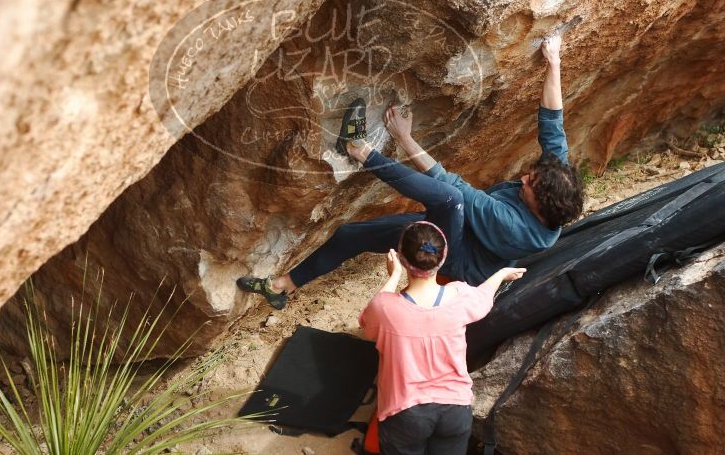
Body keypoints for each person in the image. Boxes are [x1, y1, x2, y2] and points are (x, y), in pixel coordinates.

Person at [237, 34, 583, 309]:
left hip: (455, 263)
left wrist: (404, 138)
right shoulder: (557, 183)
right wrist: (554, 61)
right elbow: (553, 123)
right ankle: (281, 287)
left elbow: (452, 188)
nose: (524, 177)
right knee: (348, 235)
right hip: (459, 230)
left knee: (449, 198)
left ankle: (359, 150)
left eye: (530, 185)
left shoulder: (519, 228)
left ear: (541, 207)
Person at [359, 221, 524, 455]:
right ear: (443, 257)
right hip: (455, 409)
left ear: (402, 258)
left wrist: (394, 276)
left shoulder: (385, 308)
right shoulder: (460, 295)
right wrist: (501, 274)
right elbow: (484, 296)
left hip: (406, 412)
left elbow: (367, 321)